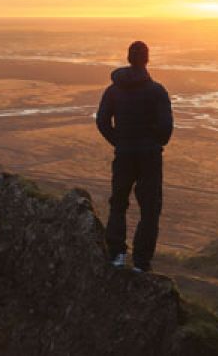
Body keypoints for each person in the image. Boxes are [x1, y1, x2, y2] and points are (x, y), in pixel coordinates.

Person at [96, 40, 173, 272]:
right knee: (150, 208)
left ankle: (117, 255)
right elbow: (166, 126)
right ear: (147, 59)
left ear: (128, 58)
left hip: (124, 154)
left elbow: (102, 121)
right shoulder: (156, 90)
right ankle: (141, 263)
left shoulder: (113, 90)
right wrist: (155, 143)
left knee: (118, 203)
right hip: (149, 156)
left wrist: (119, 142)